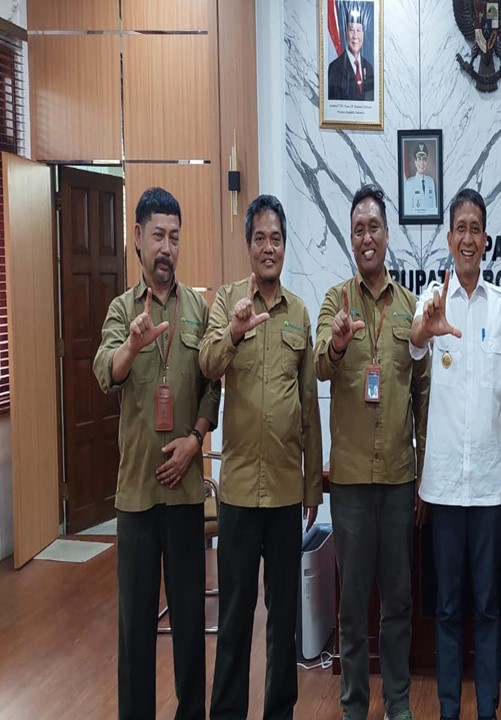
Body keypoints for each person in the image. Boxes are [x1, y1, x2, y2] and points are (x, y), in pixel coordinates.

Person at [93, 187, 221, 720]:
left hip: (186, 493)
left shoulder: (199, 308)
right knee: (136, 630)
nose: (167, 248)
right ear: (138, 240)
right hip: (138, 497)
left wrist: (196, 438)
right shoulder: (122, 310)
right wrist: (132, 346)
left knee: (190, 627)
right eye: (158, 236)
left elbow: (213, 383)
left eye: (174, 237)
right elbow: (105, 371)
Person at [200, 194, 323, 720]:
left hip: (286, 493)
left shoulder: (299, 313)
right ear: (248, 244)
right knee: (234, 617)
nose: (268, 247)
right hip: (238, 492)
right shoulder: (228, 302)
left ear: (284, 246)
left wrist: (313, 486)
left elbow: (309, 407)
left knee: (283, 618)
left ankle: (280, 712)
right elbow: (207, 365)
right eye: (259, 238)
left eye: (276, 238)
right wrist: (233, 331)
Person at [315, 184, 430, 720]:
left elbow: (423, 392)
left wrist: (425, 472)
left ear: (387, 234)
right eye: (358, 228)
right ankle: (355, 706)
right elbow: (320, 365)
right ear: (351, 237)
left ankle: (398, 703)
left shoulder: (410, 308)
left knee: (399, 601)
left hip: (400, 478)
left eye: (374, 227)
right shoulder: (333, 302)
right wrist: (338, 343)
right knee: (353, 604)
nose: (367, 237)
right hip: (352, 483)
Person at [410, 188, 501, 720]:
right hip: (445, 486)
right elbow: (414, 341)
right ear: (449, 237)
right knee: (448, 606)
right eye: (461, 228)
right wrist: (425, 328)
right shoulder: (432, 301)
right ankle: (450, 709)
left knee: (488, 605)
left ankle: (489, 710)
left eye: (476, 228)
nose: (469, 238)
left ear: (486, 239)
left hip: (489, 486)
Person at [328, 3, 374, 101]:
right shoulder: (334, 68)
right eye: (352, 30)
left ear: (363, 34)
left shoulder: (369, 68)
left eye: (359, 30)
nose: (355, 36)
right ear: (346, 33)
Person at [403, 143, 438, 216]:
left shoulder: (430, 181)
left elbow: (434, 208)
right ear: (415, 163)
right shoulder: (410, 184)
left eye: (424, 159)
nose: (422, 163)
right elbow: (408, 211)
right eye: (419, 159)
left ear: (426, 162)